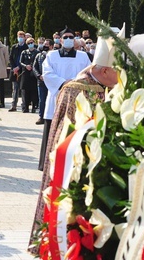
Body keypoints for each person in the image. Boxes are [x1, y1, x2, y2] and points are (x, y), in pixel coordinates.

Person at [29, 31, 120, 253]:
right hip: (74, 161)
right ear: (106, 70)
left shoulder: (104, 85)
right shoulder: (74, 89)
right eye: (118, 72)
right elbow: (66, 133)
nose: (120, 78)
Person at [37, 28, 91, 171]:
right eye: (65, 37)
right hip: (56, 97)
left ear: (74, 40)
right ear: (60, 40)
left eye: (70, 37)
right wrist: (63, 83)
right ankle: (48, 163)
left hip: (76, 98)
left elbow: (87, 74)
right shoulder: (51, 55)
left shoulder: (83, 56)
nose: (68, 39)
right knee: (52, 130)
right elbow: (47, 73)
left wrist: (74, 84)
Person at [33, 39, 52, 125]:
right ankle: (41, 117)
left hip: (51, 82)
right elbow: (35, 67)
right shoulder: (39, 56)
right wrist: (38, 76)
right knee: (42, 100)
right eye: (44, 44)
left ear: (51, 46)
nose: (44, 46)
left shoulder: (54, 56)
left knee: (51, 100)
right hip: (41, 82)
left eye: (46, 45)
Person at [8, 31, 27, 112]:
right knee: (15, 89)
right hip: (15, 70)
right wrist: (14, 67)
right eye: (19, 36)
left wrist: (19, 67)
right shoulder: (14, 47)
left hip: (22, 70)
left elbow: (25, 60)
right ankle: (13, 105)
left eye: (22, 36)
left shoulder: (26, 47)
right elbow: (11, 58)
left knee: (23, 89)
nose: (20, 38)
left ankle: (24, 106)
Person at [19, 37, 39, 113]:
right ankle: (25, 107)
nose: (31, 44)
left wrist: (33, 67)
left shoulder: (37, 52)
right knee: (25, 91)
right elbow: (20, 62)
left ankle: (34, 106)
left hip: (33, 73)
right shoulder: (24, 52)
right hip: (25, 73)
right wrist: (25, 66)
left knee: (34, 91)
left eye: (32, 42)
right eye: (29, 43)